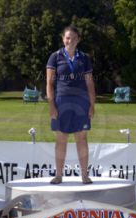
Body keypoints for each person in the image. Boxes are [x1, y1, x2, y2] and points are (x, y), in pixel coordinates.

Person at [46, 25, 95, 184]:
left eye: (73, 38)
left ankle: (84, 175)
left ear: (78, 40)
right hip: (61, 101)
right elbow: (49, 83)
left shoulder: (84, 58)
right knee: (61, 138)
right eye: (67, 37)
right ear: (63, 39)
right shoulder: (55, 56)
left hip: (81, 102)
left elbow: (89, 83)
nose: (70, 41)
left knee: (81, 138)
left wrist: (92, 104)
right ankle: (59, 175)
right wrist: (51, 104)